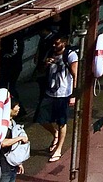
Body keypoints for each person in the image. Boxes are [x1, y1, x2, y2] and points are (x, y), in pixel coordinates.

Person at [35, 33, 77, 163]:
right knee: (40, 117)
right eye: (54, 43)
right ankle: (55, 134)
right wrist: (45, 63)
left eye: (57, 43)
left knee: (61, 121)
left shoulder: (70, 55)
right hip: (50, 91)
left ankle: (59, 148)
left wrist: (73, 95)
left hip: (63, 93)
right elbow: (39, 69)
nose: (55, 45)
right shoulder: (50, 52)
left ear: (64, 42)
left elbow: (75, 74)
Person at [0, 99, 27, 182]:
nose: (19, 108)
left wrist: (18, 163)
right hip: (2, 167)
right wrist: (20, 138)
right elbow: (3, 143)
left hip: (12, 166)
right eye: (16, 106)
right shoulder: (2, 125)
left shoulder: (13, 122)